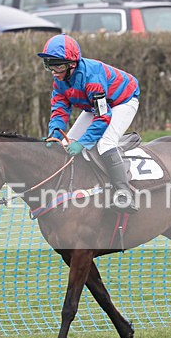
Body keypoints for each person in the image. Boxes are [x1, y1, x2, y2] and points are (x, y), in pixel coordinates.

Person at [38, 34, 140, 213]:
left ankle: (124, 194)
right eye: (49, 65)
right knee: (64, 144)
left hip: (123, 101)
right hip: (95, 106)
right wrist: (54, 135)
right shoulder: (59, 81)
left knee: (105, 143)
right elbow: (60, 111)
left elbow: (103, 117)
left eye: (58, 66)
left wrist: (83, 143)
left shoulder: (92, 79)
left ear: (72, 64)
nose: (54, 71)